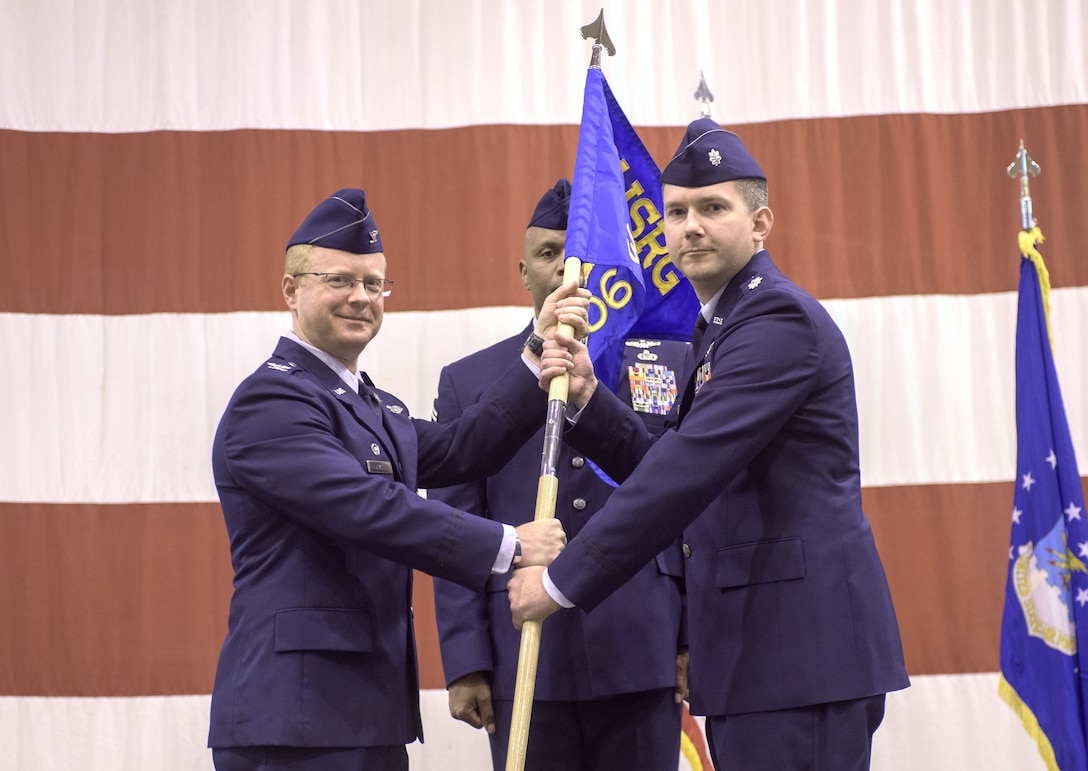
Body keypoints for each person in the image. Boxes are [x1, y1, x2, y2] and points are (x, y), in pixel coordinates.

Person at [509, 119, 910, 771]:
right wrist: (587, 398)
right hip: (762, 661)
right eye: (676, 211)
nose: (690, 225)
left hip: (797, 659)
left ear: (760, 224)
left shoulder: (776, 322)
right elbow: (684, 470)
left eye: (713, 208)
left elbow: (684, 471)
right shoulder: (722, 326)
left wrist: (559, 582)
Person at [208, 188, 587, 771]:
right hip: (296, 719)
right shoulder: (273, 399)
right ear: (291, 290)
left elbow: (467, 446)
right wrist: (510, 545)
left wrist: (538, 349)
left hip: (363, 711)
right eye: (339, 280)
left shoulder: (368, 405)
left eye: (374, 283)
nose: (361, 298)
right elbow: (370, 508)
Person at [429, 179, 688, 770]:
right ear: (524, 272)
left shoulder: (667, 364)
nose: (569, 272)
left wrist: (690, 638)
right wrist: (467, 660)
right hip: (523, 653)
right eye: (550, 255)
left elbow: (687, 510)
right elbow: (454, 521)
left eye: (584, 258)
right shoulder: (470, 382)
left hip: (640, 644)